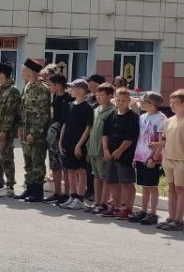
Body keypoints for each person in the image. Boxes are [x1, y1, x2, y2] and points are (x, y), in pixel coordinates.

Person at [154, 90, 184, 229]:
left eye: (175, 103)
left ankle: (179, 220)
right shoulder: (169, 120)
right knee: (171, 188)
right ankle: (171, 217)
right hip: (168, 158)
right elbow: (165, 140)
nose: (171, 105)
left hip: (182, 160)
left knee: (180, 189)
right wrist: (156, 146)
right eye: (170, 102)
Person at [101, 88, 140, 218]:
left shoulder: (133, 117)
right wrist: (105, 150)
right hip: (110, 154)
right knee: (113, 181)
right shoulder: (111, 114)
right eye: (118, 100)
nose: (121, 102)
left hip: (125, 156)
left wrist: (120, 150)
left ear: (129, 101)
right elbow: (105, 134)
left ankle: (127, 208)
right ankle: (115, 206)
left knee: (126, 182)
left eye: (124, 100)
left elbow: (130, 137)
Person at [17, 59, 52, 202]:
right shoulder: (27, 86)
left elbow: (43, 113)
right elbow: (22, 109)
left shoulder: (42, 88)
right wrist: (20, 127)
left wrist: (34, 132)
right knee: (28, 162)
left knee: (37, 162)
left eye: (23, 70)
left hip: (36, 133)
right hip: (25, 130)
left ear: (31, 71)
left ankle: (37, 192)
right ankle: (29, 188)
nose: (22, 72)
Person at [59, 79, 94, 211]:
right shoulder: (69, 105)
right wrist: (60, 141)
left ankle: (79, 198)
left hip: (79, 144)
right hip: (67, 142)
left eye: (73, 88)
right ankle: (72, 196)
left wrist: (79, 145)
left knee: (80, 170)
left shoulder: (88, 108)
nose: (70, 90)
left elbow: (87, 128)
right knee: (70, 169)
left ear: (81, 90)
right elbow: (65, 124)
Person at [131, 92, 166, 225]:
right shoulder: (143, 117)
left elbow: (160, 141)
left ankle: (153, 213)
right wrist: (135, 156)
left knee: (152, 186)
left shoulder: (161, 118)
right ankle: (144, 211)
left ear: (151, 104)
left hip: (151, 158)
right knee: (144, 186)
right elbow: (140, 138)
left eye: (143, 102)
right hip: (141, 156)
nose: (141, 104)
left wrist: (155, 158)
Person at [0, 63, 21, 196]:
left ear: (2, 74)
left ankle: (10, 186)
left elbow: (11, 113)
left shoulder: (12, 91)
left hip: (3, 131)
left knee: (6, 158)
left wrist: (5, 131)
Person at [86, 84, 116, 212]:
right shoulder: (95, 110)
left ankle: (103, 203)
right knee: (96, 176)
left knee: (104, 177)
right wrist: (88, 148)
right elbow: (91, 130)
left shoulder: (112, 111)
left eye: (102, 95)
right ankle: (97, 202)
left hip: (103, 150)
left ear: (110, 96)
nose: (98, 97)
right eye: (97, 95)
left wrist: (106, 150)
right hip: (93, 148)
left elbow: (109, 133)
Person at [44, 73, 72, 204]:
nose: (49, 87)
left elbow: (66, 120)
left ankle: (66, 194)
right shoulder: (55, 97)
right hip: (53, 136)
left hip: (63, 136)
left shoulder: (69, 99)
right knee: (54, 165)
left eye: (50, 85)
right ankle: (57, 193)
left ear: (58, 85)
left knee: (64, 166)